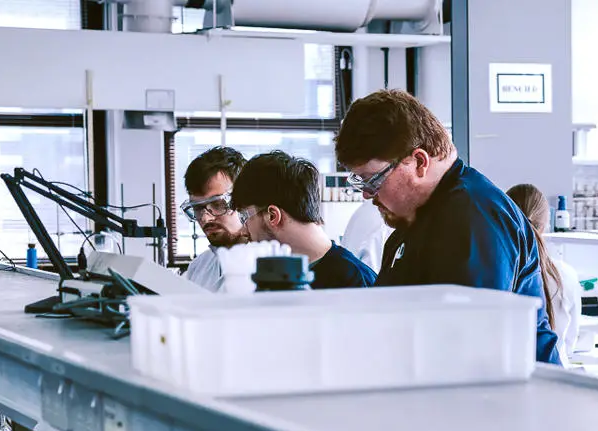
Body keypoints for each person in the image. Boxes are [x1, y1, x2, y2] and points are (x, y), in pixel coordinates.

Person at [334, 89, 560, 364]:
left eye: (372, 179)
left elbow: (470, 347)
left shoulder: (472, 218)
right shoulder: (420, 217)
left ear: (418, 162)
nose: (367, 194)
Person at [230, 150, 376, 289]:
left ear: (273, 216)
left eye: (244, 217)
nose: (243, 231)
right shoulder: (282, 277)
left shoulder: (355, 283)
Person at [505, 183, 580, 364]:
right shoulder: (566, 275)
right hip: (555, 376)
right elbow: (570, 344)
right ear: (546, 225)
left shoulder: (501, 273)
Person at [179, 146, 249, 292]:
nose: (205, 218)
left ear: (244, 201)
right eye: (197, 208)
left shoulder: (269, 266)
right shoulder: (197, 267)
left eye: (218, 204)